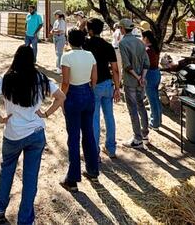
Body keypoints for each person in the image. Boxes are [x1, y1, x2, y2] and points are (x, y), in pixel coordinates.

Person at [0, 45, 66, 225]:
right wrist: (46, 114)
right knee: (30, 178)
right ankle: (25, 219)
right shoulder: (41, 78)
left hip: (13, 133)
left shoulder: (5, 78)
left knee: (7, 171)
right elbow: (61, 97)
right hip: (36, 133)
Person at [59, 29, 99, 192]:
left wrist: (62, 99)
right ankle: (93, 171)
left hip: (73, 95)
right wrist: (88, 91)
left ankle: (72, 178)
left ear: (69, 40)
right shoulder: (89, 55)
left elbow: (66, 82)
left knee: (73, 137)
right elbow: (94, 79)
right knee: (88, 134)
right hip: (88, 93)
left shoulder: (66, 56)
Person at [83, 18, 121, 159]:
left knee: (94, 119)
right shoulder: (108, 45)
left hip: (93, 84)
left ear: (90, 30)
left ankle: (95, 152)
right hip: (108, 83)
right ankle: (111, 149)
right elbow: (115, 69)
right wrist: (117, 88)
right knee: (109, 116)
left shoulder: (86, 44)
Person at [118, 18, 150, 149]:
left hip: (131, 81)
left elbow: (127, 65)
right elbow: (146, 63)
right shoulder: (140, 42)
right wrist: (142, 77)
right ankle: (145, 135)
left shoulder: (123, 43)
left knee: (133, 109)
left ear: (123, 29)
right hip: (141, 80)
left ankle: (137, 139)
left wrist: (137, 77)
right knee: (141, 105)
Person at [142, 30, 162, 131]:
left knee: (152, 100)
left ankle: (155, 123)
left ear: (145, 38)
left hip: (149, 74)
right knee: (156, 98)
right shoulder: (155, 48)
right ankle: (158, 120)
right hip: (156, 73)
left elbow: (145, 64)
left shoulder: (147, 50)